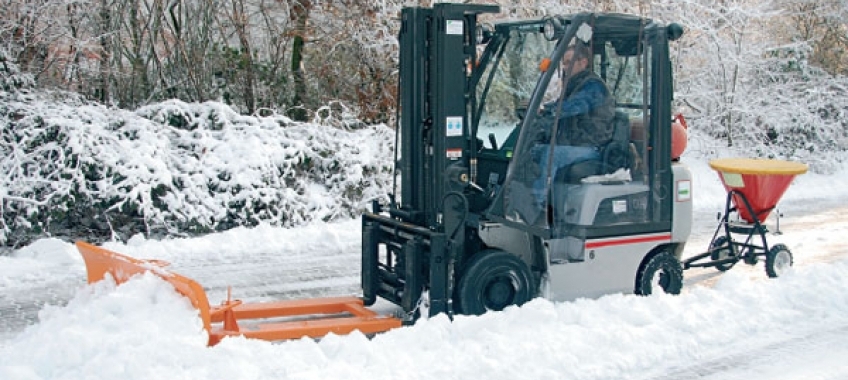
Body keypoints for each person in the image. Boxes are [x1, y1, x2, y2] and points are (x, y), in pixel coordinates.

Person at [532, 41, 615, 204]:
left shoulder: (593, 87)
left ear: (583, 62)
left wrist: (547, 110)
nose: (564, 67)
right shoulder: (574, 85)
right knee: (533, 151)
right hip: (576, 144)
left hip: (592, 147)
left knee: (551, 155)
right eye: (563, 63)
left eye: (569, 63)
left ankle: (539, 205)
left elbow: (574, 106)